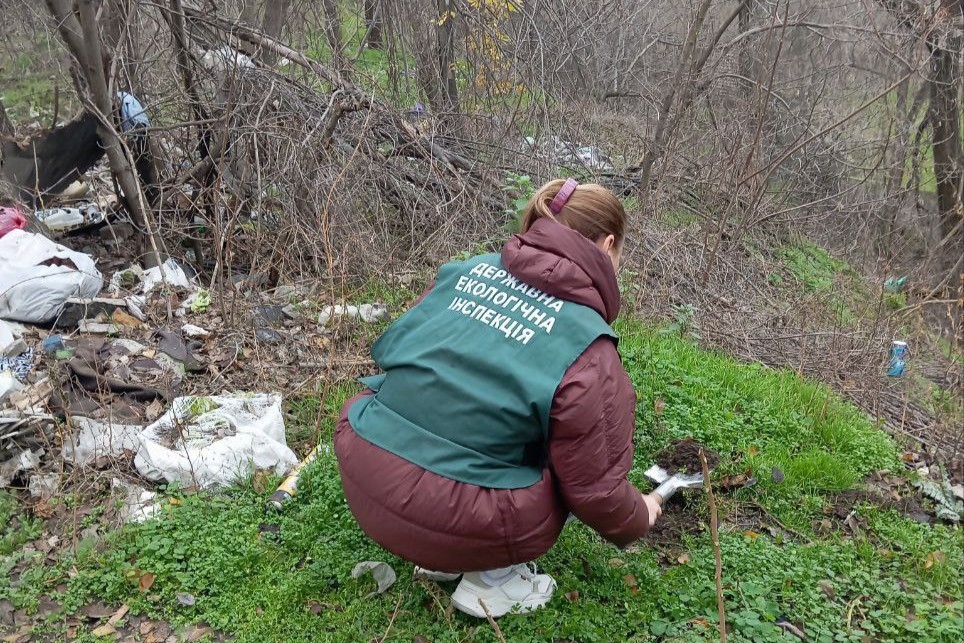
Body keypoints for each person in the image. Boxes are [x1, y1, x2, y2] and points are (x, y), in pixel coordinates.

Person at [334, 178, 662, 619]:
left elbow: (400, 353)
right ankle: (493, 581)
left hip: (365, 469)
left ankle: (438, 557)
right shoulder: (589, 349)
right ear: (607, 246)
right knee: (568, 463)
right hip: (458, 513)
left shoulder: (465, 271)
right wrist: (641, 512)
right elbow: (595, 491)